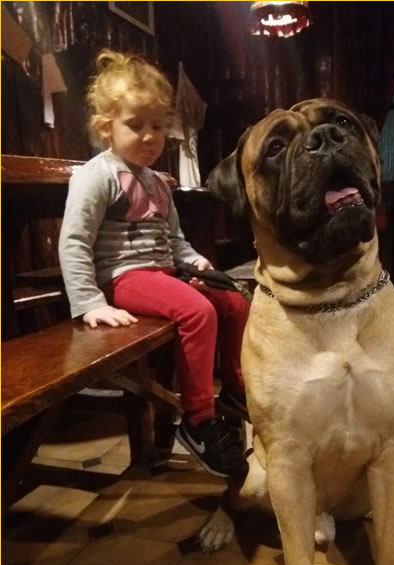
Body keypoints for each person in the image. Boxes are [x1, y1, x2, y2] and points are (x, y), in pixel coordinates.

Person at [58, 49, 249, 477]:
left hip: (162, 272)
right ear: (106, 127)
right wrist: (89, 302)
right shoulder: (97, 175)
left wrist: (196, 261)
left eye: (158, 127)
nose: (150, 137)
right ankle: (198, 420)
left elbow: (174, 240)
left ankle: (234, 390)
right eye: (136, 125)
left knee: (233, 302)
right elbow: (73, 241)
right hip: (121, 278)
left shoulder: (158, 184)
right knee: (198, 312)